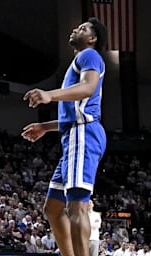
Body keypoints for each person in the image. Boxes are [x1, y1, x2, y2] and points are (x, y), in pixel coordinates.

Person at [22, 18, 109, 256]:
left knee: (76, 207)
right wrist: (44, 127)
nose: (75, 29)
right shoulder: (79, 61)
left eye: (82, 29)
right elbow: (74, 113)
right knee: (52, 208)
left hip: (84, 133)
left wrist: (49, 95)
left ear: (92, 39)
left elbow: (88, 88)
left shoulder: (89, 55)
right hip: (74, 134)